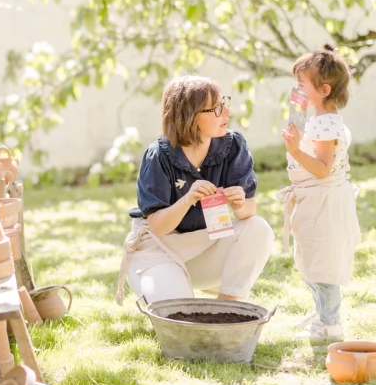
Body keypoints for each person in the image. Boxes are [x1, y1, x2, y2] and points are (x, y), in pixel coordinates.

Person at [116, 75, 275, 305]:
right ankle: (167, 286)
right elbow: (157, 227)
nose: (227, 112)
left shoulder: (232, 146)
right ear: (189, 116)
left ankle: (227, 309)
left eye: (224, 103)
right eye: (216, 108)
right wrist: (188, 199)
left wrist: (240, 204)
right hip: (159, 248)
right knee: (177, 310)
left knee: (258, 229)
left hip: (204, 244)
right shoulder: (159, 155)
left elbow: (248, 210)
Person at [278, 44, 361, 341]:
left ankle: (330, 323)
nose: (297, 90)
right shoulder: (319, 119)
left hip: (324, 202)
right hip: (314, 201)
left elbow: (323, 168)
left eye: (302, 84)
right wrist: (299, 139)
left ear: (324, 90)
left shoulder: (327, 124)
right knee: (311, 258)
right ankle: (322, 313)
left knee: (322, 264)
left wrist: (294, 151)